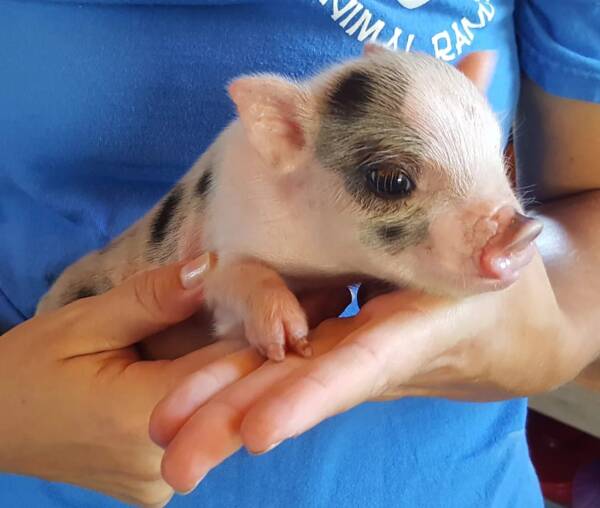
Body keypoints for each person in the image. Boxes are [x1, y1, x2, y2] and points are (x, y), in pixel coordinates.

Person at [0, 1, 599, 506]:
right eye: (392, 183)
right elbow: (221, 268)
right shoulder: (260, 175)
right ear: (281, 131)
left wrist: (536, 337)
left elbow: (584, 206)